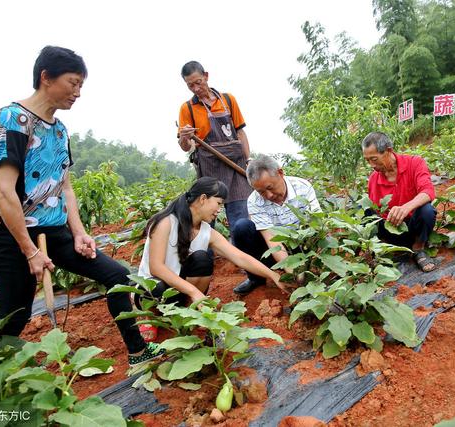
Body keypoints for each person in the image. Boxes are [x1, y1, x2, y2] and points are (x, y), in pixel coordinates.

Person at [0, 46, 161, 366]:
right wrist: (30, 251)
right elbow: (4, 191)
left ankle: (138, 351)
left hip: (55, 230)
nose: (78, 92)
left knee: (118, 275)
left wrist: (79, 233)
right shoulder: (12, 119)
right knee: (14, 318)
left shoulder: (60, 130)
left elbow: (65, 187)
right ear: (46, 78)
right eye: (73, 82)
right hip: (14, 235)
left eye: (81, 85)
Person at [137, 176, 292, 311]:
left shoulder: (207, 232)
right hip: (153, 289)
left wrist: (273, 275)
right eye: (218, 203)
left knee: (202, 259)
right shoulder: (166, 222)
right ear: (203, 199)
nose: (219, 210)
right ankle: (154, 320)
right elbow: (156, 267)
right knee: (157, 288)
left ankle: (188, 312)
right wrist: (193, 292)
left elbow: (240, 257)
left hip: (181, 292)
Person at [177, 61, 251, 232]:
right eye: (190, 85)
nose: (195, 88)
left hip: (236, 168)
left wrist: (248, 160)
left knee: (240, 220)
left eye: (198, 82)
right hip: (210, 170)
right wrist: (184, 137)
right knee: (205, 221)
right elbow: (185, 147)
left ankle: (241, 255)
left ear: (206, 76)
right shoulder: (187, 108)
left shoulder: (227, 100)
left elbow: (240, 133)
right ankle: (206, 255)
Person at [231, 155, 321, 295]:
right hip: (275, 248)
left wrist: (305, 271)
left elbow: (315, 226)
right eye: (261, 192)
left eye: (270, 188)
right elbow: (271, 240)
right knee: (242, 228)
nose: (269, 195)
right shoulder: (254, 201)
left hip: (302, 245)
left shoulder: (302, 188)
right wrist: (293, 274)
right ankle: (256, 278)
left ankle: (313, 272)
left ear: (280, 173)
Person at [361, 131, 438, 272]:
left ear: (388, 151)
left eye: (374, 159)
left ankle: (418, 248)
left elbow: (428, 192)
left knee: (427, 210)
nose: (371, 165)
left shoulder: (414, 163)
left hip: (414, 227)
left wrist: (406, 208)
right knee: (368, 213)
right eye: (367, 161)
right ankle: (382, 250)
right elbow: (376, 211)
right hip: (391, 230)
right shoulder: (374, 178)